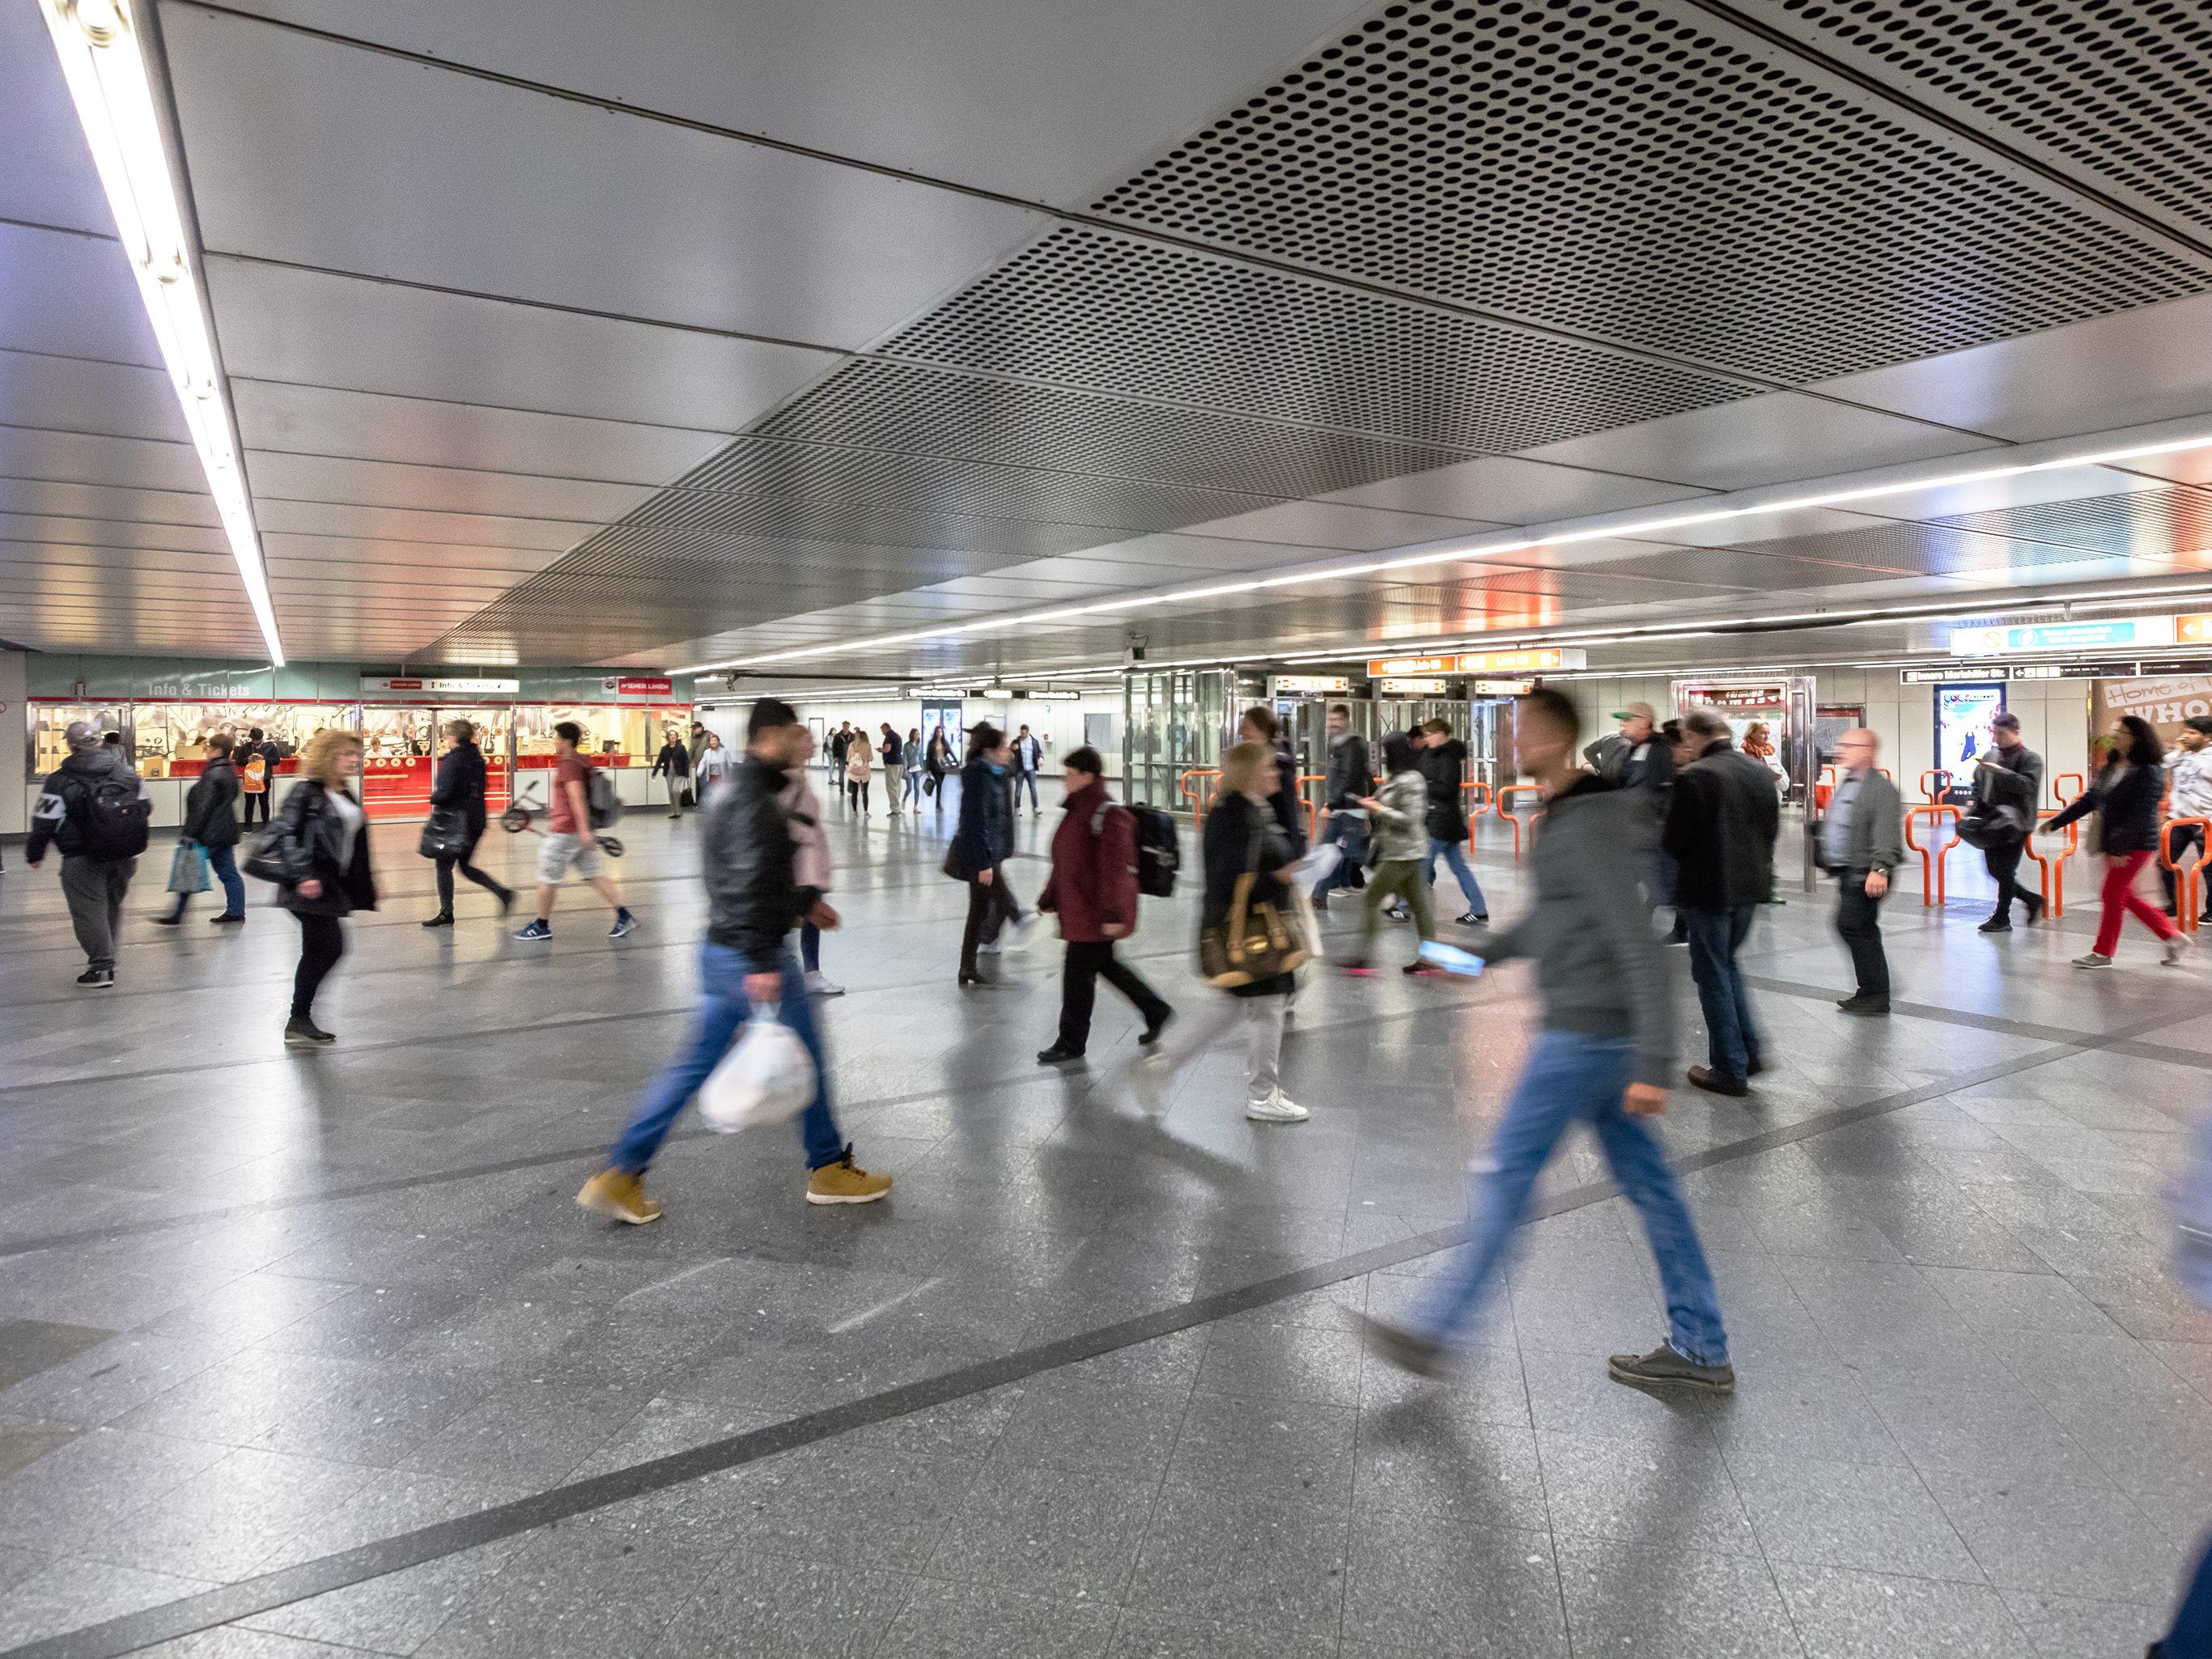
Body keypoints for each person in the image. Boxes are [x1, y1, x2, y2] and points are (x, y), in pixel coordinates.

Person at [1360, 688, 1732, 1396]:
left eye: (1524, 730)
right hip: (1601, 1040)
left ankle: (1436, 1330)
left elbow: (1636, 944)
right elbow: (1547, 924)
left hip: (1584, 1040)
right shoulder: (1567, 816)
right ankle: (1702, 1347)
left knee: (1506, 1175)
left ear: (1555, 741)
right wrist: (1469, 959)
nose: (1513, 742)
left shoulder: (1584, 823)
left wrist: (1654, 1061)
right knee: (1654, 1191)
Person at [575, 698, 891, 1223]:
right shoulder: (752, 800)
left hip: (722, 950)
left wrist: (802, 903)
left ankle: (622, 1173)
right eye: (793, 733)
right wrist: (762, 959)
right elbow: (745, 883)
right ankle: (828, 1167)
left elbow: (737, 877)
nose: (799, 741)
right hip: (753, 955)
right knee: (807, 1055)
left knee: (691, 1065)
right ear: (770, 735)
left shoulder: (737, 794)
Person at [1132, 742, 1306, 1123]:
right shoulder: (1234, 815)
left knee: (1229, 1006)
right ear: (1250, 772)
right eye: (1269, 768)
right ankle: (1262, 1095)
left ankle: (1163, 1064)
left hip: (1249, 925)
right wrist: (1278, 877)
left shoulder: (1252, 808)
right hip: (1247, 930)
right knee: (1266, 1009)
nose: (1277, 773)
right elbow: (1228, 878)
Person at [1664, 706, 1778, 1097]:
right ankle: (1749, 1052)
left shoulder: (1696, 777)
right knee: (1727, 965)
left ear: (1694, 738)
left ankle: (1729, 1069)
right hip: (1750, 888)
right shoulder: (1758, 772)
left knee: (1711, 975)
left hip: (1709, 890)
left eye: (1684, 739)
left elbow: (1675, 842)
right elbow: (1771, 831)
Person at [1035, 746, 1172, 1064]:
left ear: (1088, 776)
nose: (1063, 779)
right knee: (1107, 966)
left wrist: (1113, 914)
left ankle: (1071, 1042)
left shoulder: (1108, 815)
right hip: (1082, 907)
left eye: (1069, 774)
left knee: (1077, 976)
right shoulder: (1077, 811)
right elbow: (1065, 863)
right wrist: (1050, 897)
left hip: (1096, 912)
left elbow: (1116, 872)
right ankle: (1157, 1010)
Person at [2045, 715, 2190, 969]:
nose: (2114, 736)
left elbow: (2141, 813)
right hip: (2112, 841)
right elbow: (2090, 800)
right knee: (2122, 895)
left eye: (2120, 732)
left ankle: (2103, 952)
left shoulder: (2149, 771)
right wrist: (2058, 821)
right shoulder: (2111, 766)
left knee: (2111, 893)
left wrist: (2121, 847)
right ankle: (2172, 936)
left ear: (2135, 738)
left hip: (2134, 843)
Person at [26, 719, 150, 987]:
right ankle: (108, 958)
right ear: (99, 740)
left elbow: (44, 821)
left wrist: (35, 853)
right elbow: (146, 807)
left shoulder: (59, 781)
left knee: (89, 910)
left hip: (81, 857)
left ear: (71, 746)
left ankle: (101, 967)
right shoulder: (127, 773)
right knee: (112, 906)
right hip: (124, 855)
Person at [274, 728, 375, 1046]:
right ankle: (298, 1017)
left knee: (319, 949)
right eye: (346, 754)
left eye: (356, 755)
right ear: (328, 757)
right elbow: (286, 834)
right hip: (308, 884)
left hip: (329, 883)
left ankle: (300, 1018)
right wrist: (304, 875)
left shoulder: (344, 792)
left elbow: (354, 838)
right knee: (330, 947)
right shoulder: (306, 792)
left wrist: (372, 876)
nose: (353, 760)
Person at [513, 721, 637, 942]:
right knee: (595, 875)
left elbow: (577, 797)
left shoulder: (569, 764)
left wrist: (582, 831)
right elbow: (573, 799)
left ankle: (541, 926)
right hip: (577, 831)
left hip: (566, 833)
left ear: (567, 740)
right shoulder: (581, 761)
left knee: (546, 878)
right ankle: (624, 916)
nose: (554, 740)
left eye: (556, 737)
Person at [1339, 733, 1441, 976]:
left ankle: (1364, 957)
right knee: (1419, 904)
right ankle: (1430, 958)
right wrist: (1374, 802)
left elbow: (1411, 819)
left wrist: (1378, 808)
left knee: (1372, 898)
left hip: (1404, 853)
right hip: (1401, 850)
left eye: (1387, 752)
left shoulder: (1412, 779)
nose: (1384, 758)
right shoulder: (1399, 778)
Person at [1817, 728, 1902, 1016]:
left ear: (1869, 751)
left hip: (1866, 873)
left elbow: (1887, 834)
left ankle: (1876, 993)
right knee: (1857, 928)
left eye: (1849, 745)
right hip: (1849, 871)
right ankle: (1871, 990)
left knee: (1855, 926)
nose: (1842, 749)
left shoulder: (1881, 789)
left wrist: (1880, 868)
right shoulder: (1850, 782)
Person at [422, 719, 513, 927]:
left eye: (446, 735)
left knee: (443, 865)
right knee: (464, 865)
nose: (445, 738)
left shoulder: (454, 760)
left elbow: (445, 792)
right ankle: (502, 893)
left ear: (453, 737)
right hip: (477, 819)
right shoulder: (477, 758)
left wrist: (434, 797)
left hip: (456, 821)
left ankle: (447, 913)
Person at [953, 724, 1025, 985]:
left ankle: (967, 967)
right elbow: (975, 821)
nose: (1008, 751)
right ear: (989, 751)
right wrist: (984, 863)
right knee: (979, 909)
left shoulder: (994, 772)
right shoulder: (978, 776)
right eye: (1003, 747)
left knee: (979, 909)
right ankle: (1016, 914)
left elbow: (1009, 772)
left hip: (991, 850)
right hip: (982, 854)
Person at [156, 733, 247, 927]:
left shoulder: (213, 773)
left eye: (208, 747)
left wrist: (190, 833)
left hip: (209, 833)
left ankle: (177, 915)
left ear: (216, 750)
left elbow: (202, 807)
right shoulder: (229, 772)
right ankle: (236, 912)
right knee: (229, 874)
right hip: (225, 830)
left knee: (189, 870)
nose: (206, 751)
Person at [1974, 711, 2045, 932]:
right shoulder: (1990, 756)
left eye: (2002, 734)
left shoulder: (2030, 759)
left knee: (2005, 870)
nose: (1996, 739)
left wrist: (2001, 772)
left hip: (2016, 824)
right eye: (1994, 733)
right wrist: (1973, 798)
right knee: (1995, 870)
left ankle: (2002, 917)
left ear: (2016, 733)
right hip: (1991, 820)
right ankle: (2031, 899)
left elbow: (2028, 786)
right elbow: (1977, 780)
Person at [783, 727, 842, 996]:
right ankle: (799, 975)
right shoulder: (788, 780)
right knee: (791, 925)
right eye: (806, 739)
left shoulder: (800, 777)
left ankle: (811, 973)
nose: (814, 743)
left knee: (808, 923)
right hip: (797, 870)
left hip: (807, 869)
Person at [1416, 717, 1487, 924]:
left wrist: (1425, 785)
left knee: (1422, 863)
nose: (1426, 739)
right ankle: (1479, 908)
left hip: (1442, 820)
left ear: (1440, 735)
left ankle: (1404, 906)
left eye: (1429, 735)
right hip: (1440, 819)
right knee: (1458, 867)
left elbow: (1448, 790)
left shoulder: (1448, 758)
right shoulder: (1431, 755)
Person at [1313, 703, 1373, 911]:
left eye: (1337, 720)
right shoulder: (1339, 744)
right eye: (1330, 720)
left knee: (1354, 852)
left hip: (1349, 808)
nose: (1333, 724)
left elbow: (1348, 777)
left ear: (1346, 720)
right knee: (1328, 852)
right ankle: (1318, 897)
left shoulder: (1352, 745)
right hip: (1341, 808)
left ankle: (1396, 878)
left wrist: (1331, 804)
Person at [2164, 715, 2212, 921]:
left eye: (2193, 733)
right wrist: (2180, 750)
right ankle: (2173, 905)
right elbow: (2164, 765)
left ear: (2207, 737)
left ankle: (2211, 912)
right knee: (2164, 862)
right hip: (2178, 821)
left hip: (2205, 822)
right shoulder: (2183, 755)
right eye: (2186, 731)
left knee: (2209, 869)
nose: (2186, 736)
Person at [236, 725, 275, 825]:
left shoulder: (270, 746)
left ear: (262, 738)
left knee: (264, 802)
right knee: (249, 802)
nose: (256, 742)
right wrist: (247, 760)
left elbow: (277, 760)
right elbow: (238, 762)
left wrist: (264, 758)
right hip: (250, 778)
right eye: (254, 740)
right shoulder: (245, 747)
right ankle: (248, 825)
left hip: (264, 778)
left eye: (258, 740)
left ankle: (266, 823)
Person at [652, 728, 692, 818]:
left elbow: (686, 760)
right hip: (668, 773)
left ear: (677, 737)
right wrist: (654, 773)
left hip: (679, 773)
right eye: (671, 735)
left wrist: (687, 774)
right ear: (668, 737)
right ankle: (674, 812)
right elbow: (659, 761)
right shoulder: (664, 749)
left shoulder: (681, 748)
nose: (673, 737)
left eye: (674, 735)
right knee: (670, 792)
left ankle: (678, 811)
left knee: (675, 790)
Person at [1011, 723, 1045, 813]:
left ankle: (1035, 808)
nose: (1022, 735)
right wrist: (1013, 749)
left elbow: (1039, 752)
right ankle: (1017, 807)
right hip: (1020, 769)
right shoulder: (1016, 741)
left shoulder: (1034, 742)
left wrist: (1041, 759)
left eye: (1024, 733)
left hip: (1031, 769)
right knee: (1018, 790)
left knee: (1033, 789)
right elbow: (1009, 751)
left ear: (1028, 732)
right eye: (1021, 733)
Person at [694, 731, 732, 804]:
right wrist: (699, 772)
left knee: (721, 795)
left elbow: (730, 764)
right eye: (712, 741)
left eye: (715, 740)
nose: (713, 742)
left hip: (722, 776)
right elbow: (703, 762)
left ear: (718, 742)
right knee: (712, 794)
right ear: (709, 742)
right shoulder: (707, 752)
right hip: (712, 777)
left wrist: (731, 775)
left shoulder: (724, 751)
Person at [879, 723, 905, 817]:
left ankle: (895, 809)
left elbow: (887, 749)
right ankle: (897, 806)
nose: (882, 732)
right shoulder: (897, 736)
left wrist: (880, 750)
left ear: (886, 728)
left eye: (882, 730)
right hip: (899, 763)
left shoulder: (889, 736)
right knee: (897, 785)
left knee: (891, 786)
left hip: (892, 764)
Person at [846, 728, 873, 817]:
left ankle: (855, 812)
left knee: (854, 792)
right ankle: (865, 812)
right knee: (864, 792)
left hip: (853, 772)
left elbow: (848, 758)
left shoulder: (851, 745)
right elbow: (871, 758)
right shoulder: (868, 745)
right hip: (864, 772)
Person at [925, 726, 951, 812]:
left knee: (940, 785)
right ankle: (938, 804)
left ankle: (938, 803)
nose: (939, 733)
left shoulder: (944, 742)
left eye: (940, 732)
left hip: (943, 766)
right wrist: (928, 769)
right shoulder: (931, 743)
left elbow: (950, 752)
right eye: (937, 732)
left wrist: (958, 763)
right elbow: (928, 756)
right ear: (935, 733)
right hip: (934, 766)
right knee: (939, 783)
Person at [902, 727, 925, 812]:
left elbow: (921, 757)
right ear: (911, 735)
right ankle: (904, 800)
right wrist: (905, 769)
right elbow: (904, 758)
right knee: (909, 788)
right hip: (909, 769)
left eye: (918, 734)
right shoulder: (906, 745)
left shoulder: (920, 745)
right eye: (915, 734)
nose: (917, 735)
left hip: (918, 769)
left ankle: (915, 807)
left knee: (917, 788)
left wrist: (923, 768)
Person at [828, 722, 852, 798]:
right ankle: (841, 789)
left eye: (847, 726)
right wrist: (835, 757)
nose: (845, 727)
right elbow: (834, 747)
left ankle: (850, 789)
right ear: (842, 726)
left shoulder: (852, 736)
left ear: (849, 726)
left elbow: (856, 746)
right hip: (841, 757)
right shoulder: (838, 736)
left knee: (852, 774)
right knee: (841, 774)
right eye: (844, 726)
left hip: (850, 758)